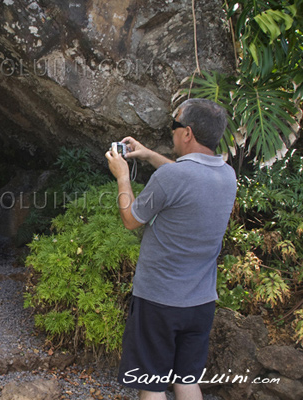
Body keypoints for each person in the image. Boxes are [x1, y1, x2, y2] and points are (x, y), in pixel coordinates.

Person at [105, 98, 237, 400]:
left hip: (159, 302)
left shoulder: (171, 177)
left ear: (187, 133)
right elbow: (187, 176)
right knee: (187, 380)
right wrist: (150, 155)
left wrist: (122, 176)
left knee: (151, 385)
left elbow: (130, 219)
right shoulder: (227, 176)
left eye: (174, 126)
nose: (172, 133)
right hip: (201, 303)